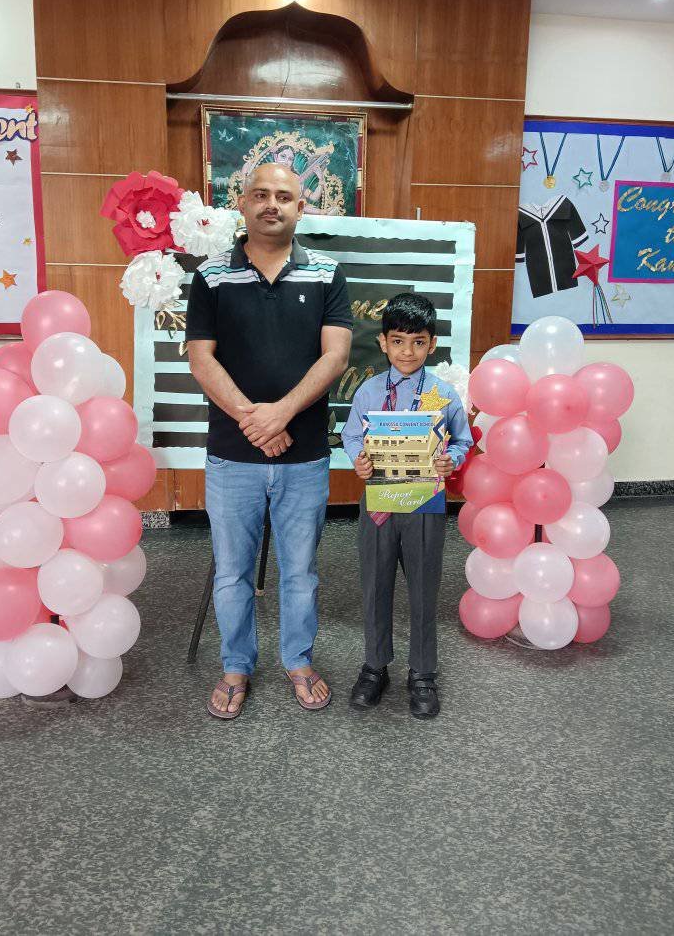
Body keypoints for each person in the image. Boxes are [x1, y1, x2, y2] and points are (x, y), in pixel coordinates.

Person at [186, 163, 353, 719]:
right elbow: (201, 360)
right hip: (231, 455)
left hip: (304, 455)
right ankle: (236, 666)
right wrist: (254, 421)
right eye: (260, 194)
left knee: (300, 572)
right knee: (231, 572)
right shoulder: (211, 276)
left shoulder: (327, 272)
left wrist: (281, 414)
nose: (271, 204)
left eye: (284, 196)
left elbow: (336, 355)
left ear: (301, 208)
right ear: (242, 203)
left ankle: (298, 661)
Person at [340, 293, 473, 719]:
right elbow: (351, 435)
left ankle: (423, 672)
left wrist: (452, 460)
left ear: (432, 345)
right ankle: (375, 666)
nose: (407, 352)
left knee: (423, 587)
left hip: (424, 503)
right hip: (378, 502)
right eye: (398, 341)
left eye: (418, 342)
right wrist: (358, 459)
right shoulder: (369, 391)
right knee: (375, 584)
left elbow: (464, 440)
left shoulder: (442, 394)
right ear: (383, 343)